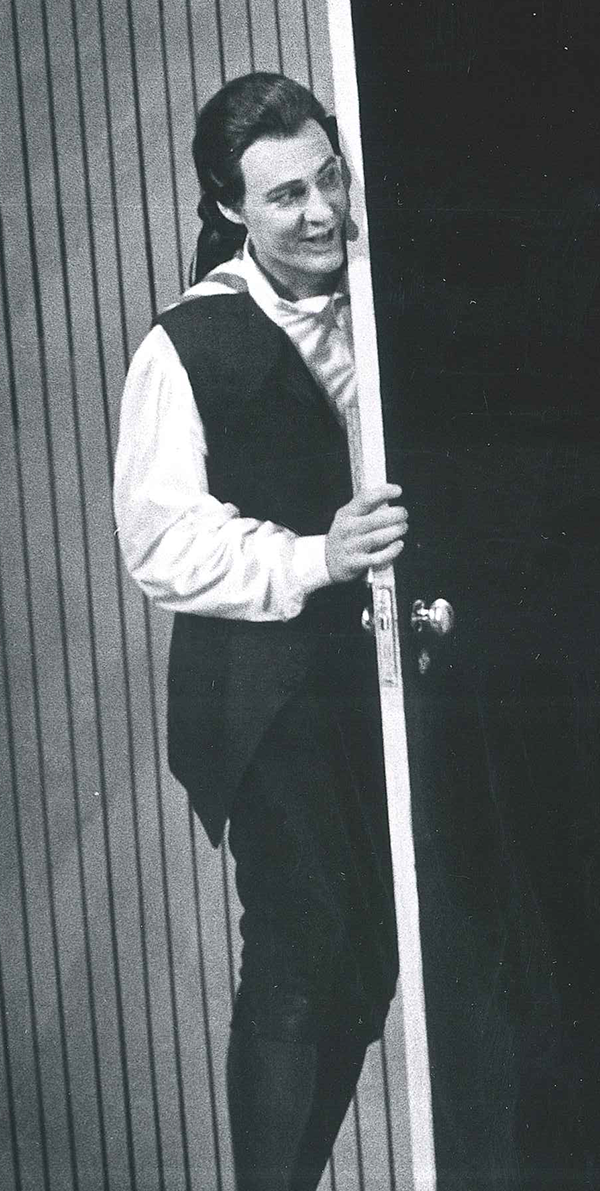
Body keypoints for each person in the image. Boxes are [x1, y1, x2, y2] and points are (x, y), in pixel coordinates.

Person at [114, 71, 409, 1189]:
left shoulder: (384, 301)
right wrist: (313, 557)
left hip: (371, 674)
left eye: (330, 177)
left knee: (374, 948)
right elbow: (160, 545)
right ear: (231, 207)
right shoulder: (184, 346)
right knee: (303, 935)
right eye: (287, 194)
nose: (323, 210)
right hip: (263, 688)